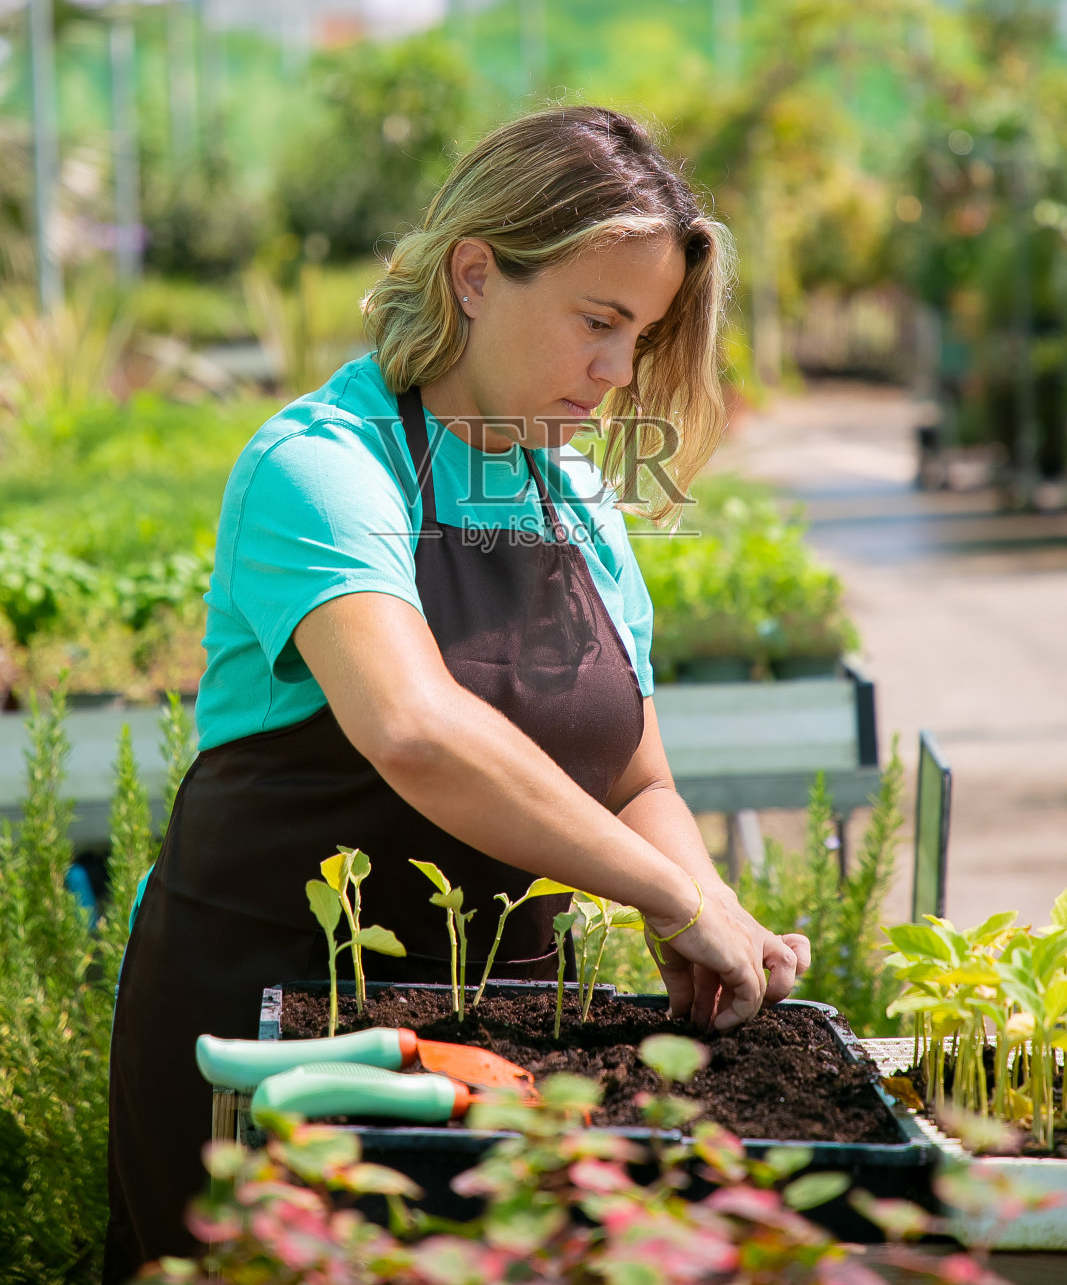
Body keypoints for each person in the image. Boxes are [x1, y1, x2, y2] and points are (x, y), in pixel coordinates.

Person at [104, 106, 811, 1281]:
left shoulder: (578, 497)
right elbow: (415, 729)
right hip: (272, 1032)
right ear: (474, 274)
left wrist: (700, 905)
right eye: (596, 320)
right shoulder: (321, 467)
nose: (615, 370)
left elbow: (634, 772)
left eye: (638, 333)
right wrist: (666, 897)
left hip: (498, 1050)